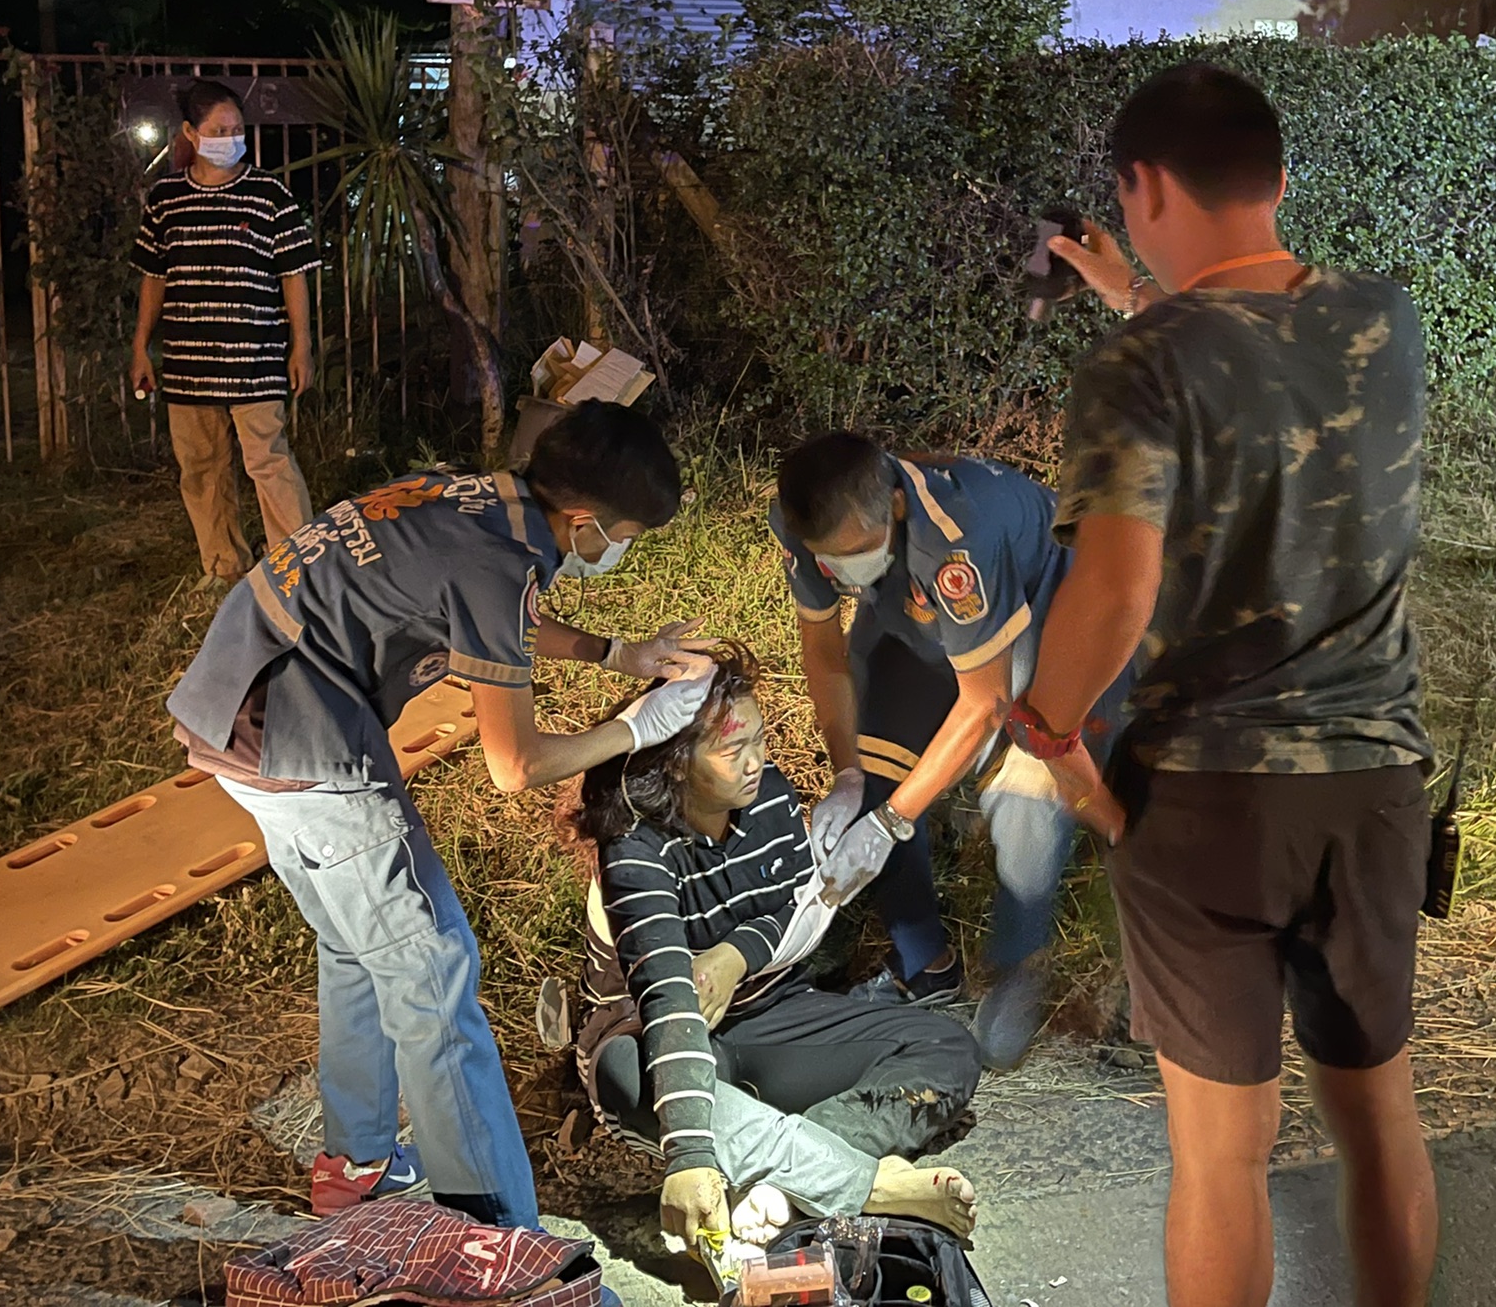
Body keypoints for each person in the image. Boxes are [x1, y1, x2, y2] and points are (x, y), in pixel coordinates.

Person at [1011, 62, 1439, 1307]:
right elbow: (1257, 358)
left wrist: (1048, 732)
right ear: (1279, 181)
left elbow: (1112, 593)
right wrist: (1131, 294)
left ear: (1141, 187)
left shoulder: (1141, 365)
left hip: (1209, 801)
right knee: (1380, 1119)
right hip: (1374, 782)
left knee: (1221, 1157)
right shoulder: (1385, 318)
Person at [166, 400, 716, 1231]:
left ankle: (357, 1165)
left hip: (232, 708)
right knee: (435, 971)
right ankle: (497, 1242)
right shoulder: (498, 562)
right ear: (585, 522)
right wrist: (635, 728)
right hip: (298, 739)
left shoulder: (465, 497)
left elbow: (503, 617)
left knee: (359, 945)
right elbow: (515, 766)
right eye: (627, 535)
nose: (623, 550)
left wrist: (615, 654)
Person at [567, 643, 979, 1281]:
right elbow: (669, 998)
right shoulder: (634, 849)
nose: (756, 761)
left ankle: (786, 1182)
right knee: (626, 1072)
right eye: (732, 750)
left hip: (772, 1014)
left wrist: (735, 956)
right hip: (662, 1034)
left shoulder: (769, 799)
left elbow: (793, 905)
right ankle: (863, 1184)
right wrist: (691, 1157)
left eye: (759, 740)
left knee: (946, 1046)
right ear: (675, 762)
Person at [767, 436, 1126, 1065]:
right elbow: (824, 653)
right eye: (829, 558)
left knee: (1026, 793)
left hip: (1044, 614)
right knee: (876, 773)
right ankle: (926, 964)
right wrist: (848, 776)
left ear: (895, 506)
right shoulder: (801, 518)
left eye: (855, 551)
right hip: (916, 614)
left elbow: (987, 700)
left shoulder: (959, 536)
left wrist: (890, 822)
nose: (842, 570)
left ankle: (1018, 964)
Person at [129, 78, 319, 589]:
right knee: (201, 467)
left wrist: (301, 345)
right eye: (218, 130)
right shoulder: (166, 199)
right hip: (188, 362)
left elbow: (294, 274)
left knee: (270, 463)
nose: (230, 139)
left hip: (255, 358)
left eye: (237, 129)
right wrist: (140, 345)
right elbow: (153, 277)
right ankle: (222, 565)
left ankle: (295, 568)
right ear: (191, 133)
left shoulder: (269, 194)